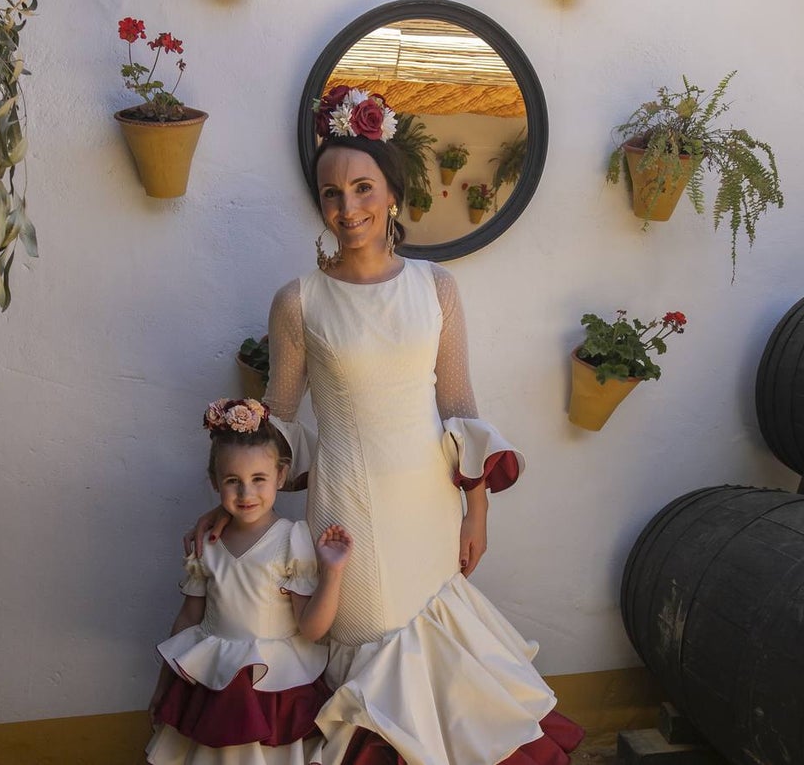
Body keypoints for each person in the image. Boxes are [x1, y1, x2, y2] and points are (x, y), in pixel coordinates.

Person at [190, 87, 583, 764]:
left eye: (363, 188)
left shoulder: (437, 288)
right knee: (368, 636)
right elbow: (279, 421)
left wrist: (475, 510)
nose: (348, 208)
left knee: (433, 649)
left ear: (393, 193)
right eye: (332, 193)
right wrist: (234, 503)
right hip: (346, 506)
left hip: (426, 506)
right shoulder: (298, 301)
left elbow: (460, 407)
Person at [147, 397, 353, 765]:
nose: (246, 494)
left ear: (281, 475)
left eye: (259, 479)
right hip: (212, 687)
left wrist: (332, 572)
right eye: (233, 481)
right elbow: (187, 620)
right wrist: (164, 686)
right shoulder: (205, 545)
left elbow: (312, 629)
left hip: (272, 692)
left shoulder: (293, 539)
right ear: (214, 482)